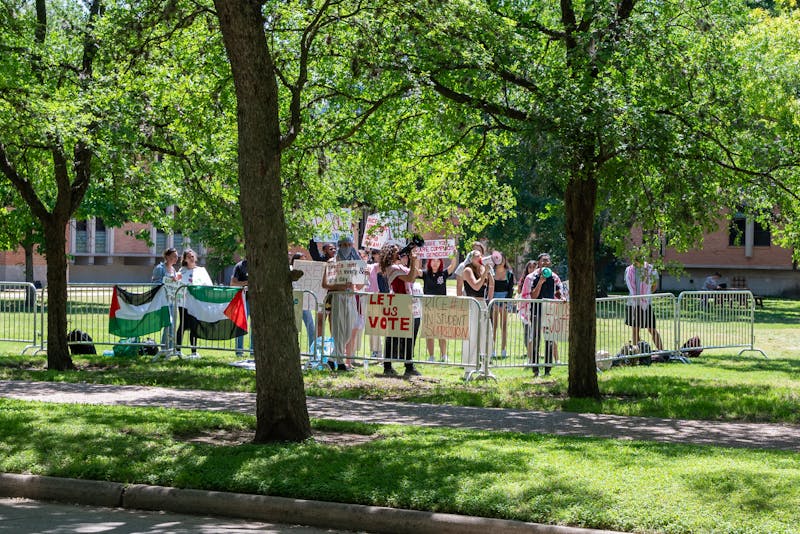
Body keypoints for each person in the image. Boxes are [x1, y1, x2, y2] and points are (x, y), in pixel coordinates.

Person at [321, 236, 363, 371]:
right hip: (337, 298)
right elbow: (325, 283)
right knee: (338, 329)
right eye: (343, 245)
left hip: (350, 298)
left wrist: (364, 275)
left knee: (348, 329)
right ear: (339, 246)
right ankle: (339, 362)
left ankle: (332, 359)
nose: (346, 247)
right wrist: (338, 287)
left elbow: (360, 285)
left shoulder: (355, 262)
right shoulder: (331, 262)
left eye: (348, 244)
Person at [380, 243, 422, 377]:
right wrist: (413, 261)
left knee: (408, 335)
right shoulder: (391, 268)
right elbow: (409, 277)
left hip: (405, 301)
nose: (399, 254)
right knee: (392, 335)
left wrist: (413, 260)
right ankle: (388, 366)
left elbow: (413, 276)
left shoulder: (399, 266)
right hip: (398, 302)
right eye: (396, 252)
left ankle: (408, 365)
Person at [521, 253, 564, 377]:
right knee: (535, 339)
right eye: (543, 261)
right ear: (538, 263)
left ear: (550, 263)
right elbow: (532, 296)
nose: (545, 263)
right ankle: (535, 369)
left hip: (550, 311)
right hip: (536, 311)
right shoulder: (531, 277)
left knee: (549, 340)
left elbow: (559, 292)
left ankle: (548, 369)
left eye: (547, 261)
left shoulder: (554, 277)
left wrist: (562, 297)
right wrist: (540, 282)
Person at [176, 249, 213, 358]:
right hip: (184, 303)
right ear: (185, 259)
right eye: (188, 256)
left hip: (196, 304)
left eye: (192, 256)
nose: (191, 258)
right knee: (182, 325)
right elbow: (177, 285)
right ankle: (178, 350)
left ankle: (193, 351)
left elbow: (208, 285)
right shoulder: (182, 271)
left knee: (194, 326)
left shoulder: (201, 270)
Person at [420, 256, 457, 362]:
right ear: (429, 262)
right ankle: (431, 356)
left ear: (441, 263)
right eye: (433, 261)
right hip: (429, 307)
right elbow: (416, 271)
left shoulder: (443, 273)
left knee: (441, 332)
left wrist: (453, 254)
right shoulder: (426, 274)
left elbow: (453, 265)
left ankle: (444, 355)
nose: (435, 263)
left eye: (438, 261)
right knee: (430, 333)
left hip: (441, 308)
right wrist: (416, 257)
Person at [624, 260, 664, 352]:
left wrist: (645, 296)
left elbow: (654, 286)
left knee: (652, 329)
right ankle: (637, 353)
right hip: (632, 304)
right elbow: (629, 285)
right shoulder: (628, 270)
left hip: (646, 304)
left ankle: (662, 352)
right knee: (635, 330)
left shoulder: (651, 269)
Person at [151, 248, 180, 353]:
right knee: (169, 323)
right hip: (163, 301)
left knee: (172, 325)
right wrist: (167, 281)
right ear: (167, 257)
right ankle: (165, 348)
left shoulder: (174, 270)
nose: (176, 258)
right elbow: (155, 284)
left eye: (177, 256)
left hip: (172, 301)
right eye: (174, 256)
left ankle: (170, 348)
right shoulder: (160, 268)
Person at [491, 252, 515, 358]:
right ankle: (492, 349)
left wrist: (506, 303)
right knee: (494, 326)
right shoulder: (491, 272)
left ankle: (503, 349)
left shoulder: (509, 274)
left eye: (502, 259)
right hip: (494, 300)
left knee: (504, 326)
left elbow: (511, 290)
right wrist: (493, 302)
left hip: (505, 300)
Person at [291, 252, 315, 352]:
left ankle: (312, 351)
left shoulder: (307, 271)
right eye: (301, 260)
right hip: (295, 301)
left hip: (305, 302)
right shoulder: (290, 269)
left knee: (311, 327)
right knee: (294, 327)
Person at [230, 257, 249, 357]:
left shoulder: (260, 264)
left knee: (256, 327)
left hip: (256, 301)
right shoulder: (240, 266)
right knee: (241, 326)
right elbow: (233, 283)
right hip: (243, 300)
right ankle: (239, 352)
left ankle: (253, 352)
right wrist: (247, 283)